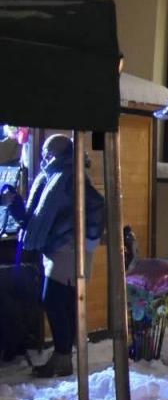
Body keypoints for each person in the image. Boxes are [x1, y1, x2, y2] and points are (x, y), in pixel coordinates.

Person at [1, 134, 106, 378]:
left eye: (48, 153)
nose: (44, 158)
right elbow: (35, 219)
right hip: (57, 249)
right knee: (59, 303)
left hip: (68, 250)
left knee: (56, 301)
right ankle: (63, 357)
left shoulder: (70, 176)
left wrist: (85, 239)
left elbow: (96, 205)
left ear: (56, 154)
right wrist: (14, 204)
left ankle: (62, 357)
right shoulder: (55, 177)